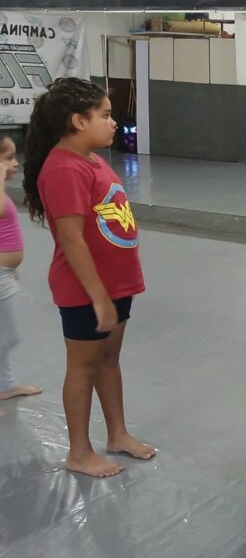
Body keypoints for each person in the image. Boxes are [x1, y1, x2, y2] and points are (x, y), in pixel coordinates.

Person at [22, 78, 154, 478]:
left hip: (116, 284)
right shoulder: (63, 168)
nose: (114, 123)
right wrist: (97, 295)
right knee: (82, 367)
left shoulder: (92, 160)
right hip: (85, 289)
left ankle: (118, 433)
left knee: (108, 360)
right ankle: (79, 452)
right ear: (79, 121)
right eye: (106, 115)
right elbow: (71, 239)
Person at [0, 136, 42, 405]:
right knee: (7, 334)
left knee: (8, 334)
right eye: (8, 158)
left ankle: (5, 384)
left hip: (4, 274)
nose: (15, 163)